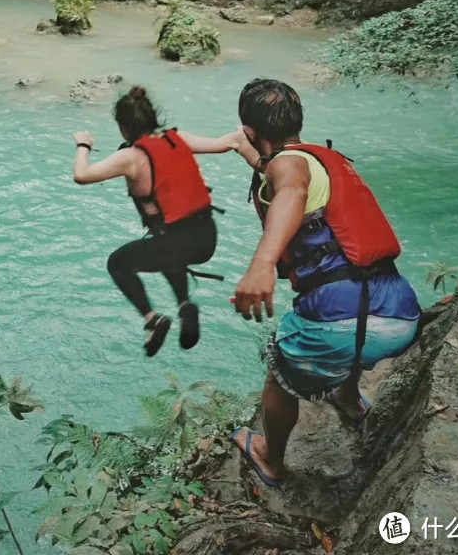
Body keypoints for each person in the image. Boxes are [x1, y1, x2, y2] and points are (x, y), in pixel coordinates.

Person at [229, 78, 421, 488]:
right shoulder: (321, 160)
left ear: (250, 129)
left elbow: (290, 189)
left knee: (280, 373)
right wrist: (246, 150)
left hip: (338, 329)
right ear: (298, 122)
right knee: (347, 313)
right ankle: (349, 399)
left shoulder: (290, 170)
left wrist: (262, 263)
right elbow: (278, 169)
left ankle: (271, 459)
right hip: (401, 317)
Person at [72, 86, 250, 357]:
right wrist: (243, 133)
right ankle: (183, 305)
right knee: (165, 248)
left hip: (174, 243)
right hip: (206, 238)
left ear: (123, 127)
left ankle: (152, 320)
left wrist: (83, 145)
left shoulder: (130, 157)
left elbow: (81, 175)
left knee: (118, 263)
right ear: (154, 117)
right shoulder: (177, 138)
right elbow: (226, 143)